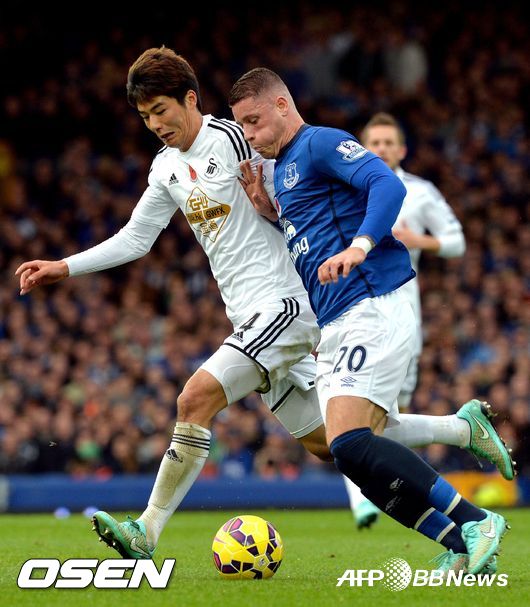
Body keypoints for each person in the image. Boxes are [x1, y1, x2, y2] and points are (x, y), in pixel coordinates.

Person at [16, 49, 510, 570]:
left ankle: (147, 530)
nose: (155, 124)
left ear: (190, 99)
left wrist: (357, 242)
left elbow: (307, 197)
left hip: (287, 306)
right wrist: (65, 266)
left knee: (195, 398)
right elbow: (137, 238)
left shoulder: (236, 139)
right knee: (336, 443)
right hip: (250, 316)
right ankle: (461, 442)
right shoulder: (165, 169)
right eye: (144, 117)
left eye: (161, 110)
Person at [229, 67, 510, 574]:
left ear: (282, 105)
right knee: (349, 453)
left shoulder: (319, 143)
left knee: (352, 442)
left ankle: (476, 520)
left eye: (254, 121)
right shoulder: (283, 170)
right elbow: (315, 227)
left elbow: (386, 184)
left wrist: (360, 246)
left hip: (373, 302)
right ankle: (460, 537)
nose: (248, 135)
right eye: (242, 125)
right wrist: (270, 212)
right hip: (336, 319)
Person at [343, 112, 468, 529]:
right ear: (361, 148)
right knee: (347, 406)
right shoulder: (345, 187)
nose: (380, 149)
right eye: (373, 143)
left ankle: (397, 490)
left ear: (402, 150)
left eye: (387, 143)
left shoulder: (419, 192)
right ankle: (363, 501)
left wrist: (420, 240)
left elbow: (456, 242)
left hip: (401, 315)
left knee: (392, 414)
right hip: (350, 311)